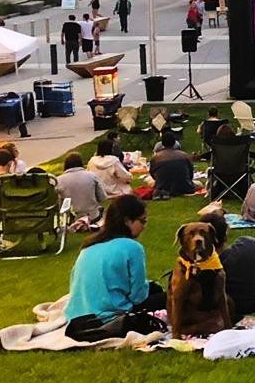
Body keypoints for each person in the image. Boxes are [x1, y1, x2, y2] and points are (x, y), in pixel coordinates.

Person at [64, 195, 165, 340]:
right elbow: (138, 297)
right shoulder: (132, 247)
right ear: (127, 221)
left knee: (153, 289)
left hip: (78, 315)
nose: (144, 226)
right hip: (109, 314)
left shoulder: (89, 246)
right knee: (171, 297)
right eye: (142, 221)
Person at [57, 151, 107, 224]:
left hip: (70, 219)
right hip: (92, 216)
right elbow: (102, 197)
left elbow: (58, 204)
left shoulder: (58, 181)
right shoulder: (92, 176)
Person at [149, 130, 197, 198]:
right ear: (174, 142)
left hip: (163, 188)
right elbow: (190, 174)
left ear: (162, 143)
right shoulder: (184, 155)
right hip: (185, 188)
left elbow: (152, 173)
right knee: (199, 184)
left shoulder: (156, 157)